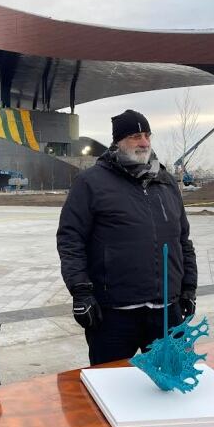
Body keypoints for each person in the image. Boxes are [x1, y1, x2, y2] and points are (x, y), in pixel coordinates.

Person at [56, 109, 198, 366]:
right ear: (118, 141)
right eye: (135, 136)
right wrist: (81, 292)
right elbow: (70, 239)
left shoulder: (165, 182)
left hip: (167, 311)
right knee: (110, 389)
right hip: (114, 315)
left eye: (147, 135)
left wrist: (189, 287)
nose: (144, 142)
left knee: (174, 384)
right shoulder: (91, 182)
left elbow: (183, 240)